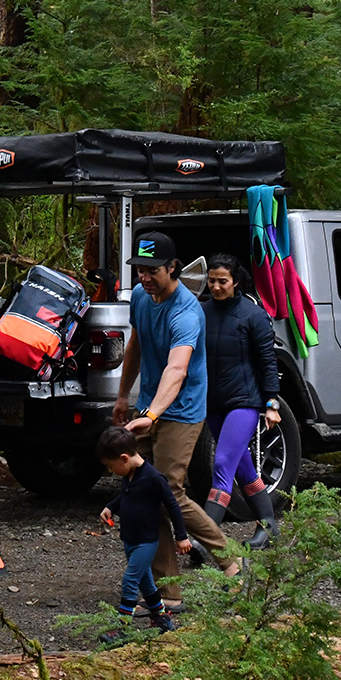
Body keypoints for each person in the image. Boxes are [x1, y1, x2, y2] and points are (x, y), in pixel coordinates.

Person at [112, 228, 228, 599]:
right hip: (149, 404)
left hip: (182, 409)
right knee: (142, 490)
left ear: (173, 267)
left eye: (153, 270)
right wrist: (123, 396)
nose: (145, 277)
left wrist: (153, 414)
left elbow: (177, 369)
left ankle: (231, 559)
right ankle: (168, 592)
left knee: (168, 491)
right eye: (140, 270)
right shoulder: (140, 298)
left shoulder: (187, 313)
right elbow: (136, 345)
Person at [200, 252, 282, 548]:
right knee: (243, 466)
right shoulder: (201, 312)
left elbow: (268, 362)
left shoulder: (252, 315)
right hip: (213, 404)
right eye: (212, 281)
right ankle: (269, 527)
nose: (216, 287)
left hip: (244, 402)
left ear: (235, 281)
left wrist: (271, 404)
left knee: (223, 464)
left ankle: (206, 539)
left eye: (222, 281)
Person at [96, 424, 189, 631]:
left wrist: (181, 536)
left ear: (124, 458)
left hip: (146, 542)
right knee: (146, 584)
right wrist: (111, 507)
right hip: (130, 539)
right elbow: (127, 496)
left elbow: (173, 506)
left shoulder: (153, 478)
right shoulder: (130, 476)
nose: (111, 471)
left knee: (130, 580)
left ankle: (123, 628)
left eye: (111, 466)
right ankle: (163, 620)